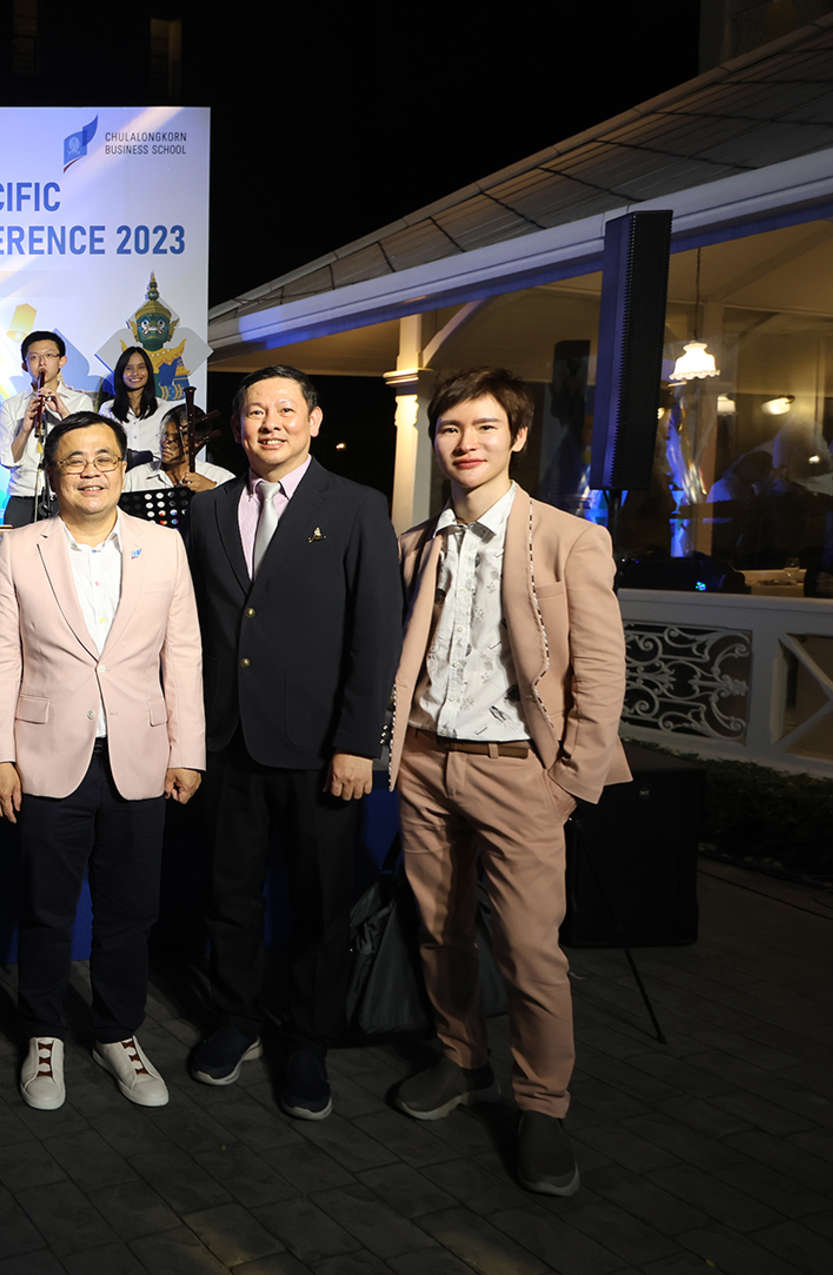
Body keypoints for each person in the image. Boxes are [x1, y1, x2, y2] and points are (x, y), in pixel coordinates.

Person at [385, 367, 630, 1197]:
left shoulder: (568, 538)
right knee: (437, 929)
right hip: (424, 759)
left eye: (485, 427)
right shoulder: (417, 541)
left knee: (529, 948)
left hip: (519, 770)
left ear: (517, 437)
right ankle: (461, 1060)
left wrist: (569, 781)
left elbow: (599, 672)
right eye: (451, 428)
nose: (466, 443)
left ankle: (543, 1104)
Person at [180, 363, 400, 1121]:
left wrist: (356, 743)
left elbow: (376, 636)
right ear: (237, 427)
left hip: (318, 749)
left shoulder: (359, 507)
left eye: (283, 410)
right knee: (229, 894)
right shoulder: (205, 514)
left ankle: (308, 1038)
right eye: (252, 412)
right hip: (225, 741)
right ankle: (237, 1018)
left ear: (313, 419)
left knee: (318, 902)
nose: (267, 423)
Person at [0, 411, 205, 1111]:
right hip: (47, 755)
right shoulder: (21, 548)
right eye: (74, 459)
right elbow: (0, 655)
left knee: (129, 912)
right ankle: (43, 1033)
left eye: (103, 458)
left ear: (122, 467)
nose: (90, 470)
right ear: (53, 473)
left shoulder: (164, 545)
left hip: (142, 753)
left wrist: (189, 749)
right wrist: (0, 754)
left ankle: (117, 1031)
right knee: (47, 909)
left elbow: (185, 653)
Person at [0, 330, 94, 526]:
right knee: (15, 553)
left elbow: (88, 447)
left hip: (67, 493)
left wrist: (64, 414)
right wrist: (25, 429)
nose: (42, 362)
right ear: (25, 365)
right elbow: (7, 460)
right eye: (34, 357)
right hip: (23, 494)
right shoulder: (11, 405)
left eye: (49, 355)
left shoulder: (80, 402)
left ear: (62, 361)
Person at [107, 347, 168, 494]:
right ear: (120, 373)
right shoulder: (108, 409)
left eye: (141, 367)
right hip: (120, 482)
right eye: (129, 368)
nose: (135, 373)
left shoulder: (164, 408)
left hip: (154, 481)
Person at [156, 400, 236, 492]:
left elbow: (236, 505)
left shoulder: (221, 478)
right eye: (165, 435)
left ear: (197, 443)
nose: (165, 443)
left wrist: (213, 490)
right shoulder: (138, 477)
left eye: (176, 438)